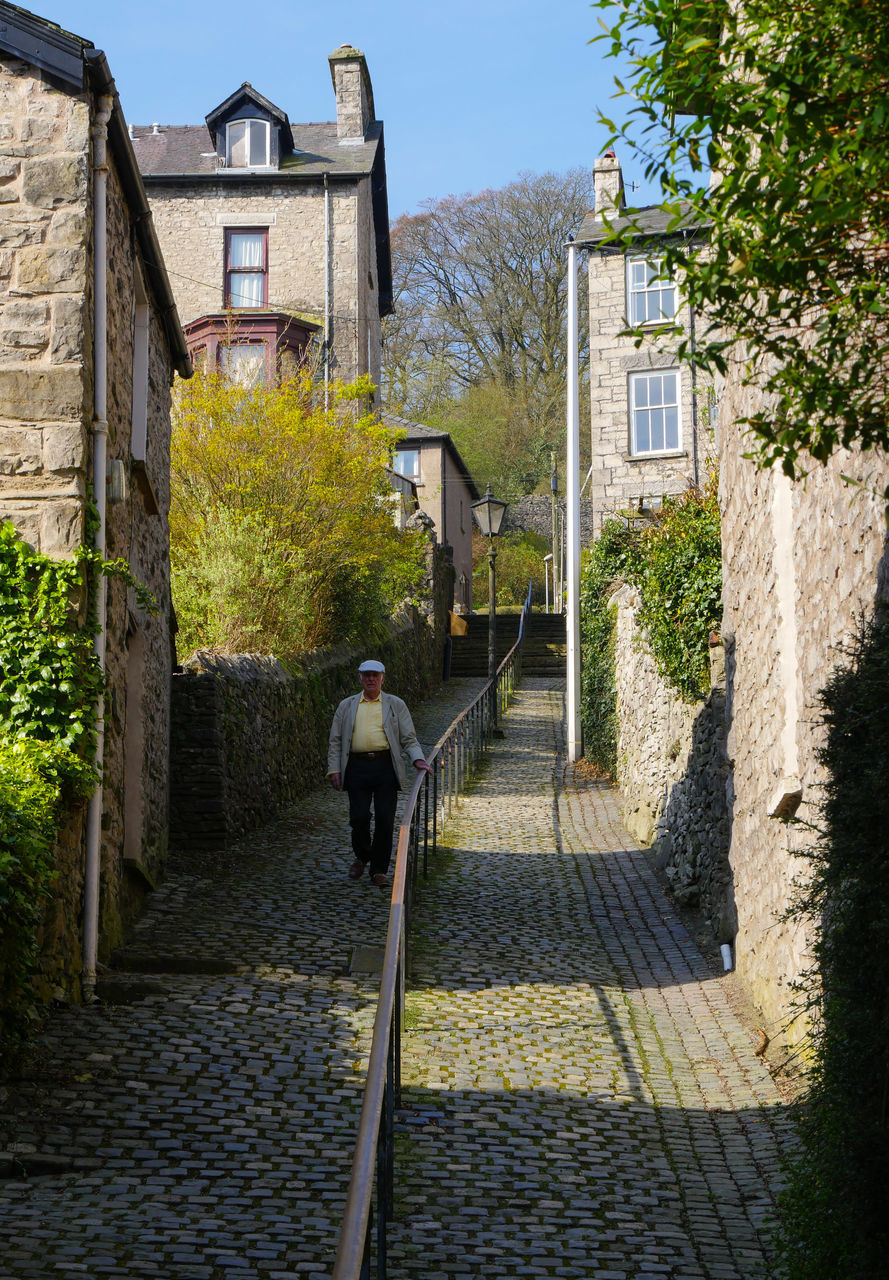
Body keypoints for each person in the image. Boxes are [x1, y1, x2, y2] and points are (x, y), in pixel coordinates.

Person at [327, 660, 432, 886]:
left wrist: (418, 759)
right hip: (356, 766)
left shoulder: (395, 704)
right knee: (358, 817)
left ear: (383, 678)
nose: (371, 679)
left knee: (385, 819)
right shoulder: (346, 706)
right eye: (366, 675)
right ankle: (363, 855)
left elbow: (408, 738)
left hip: (386, 766)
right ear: (360, 678)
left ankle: (378, 871)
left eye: (375, 675)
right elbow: (335, 740)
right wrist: (334, 769)